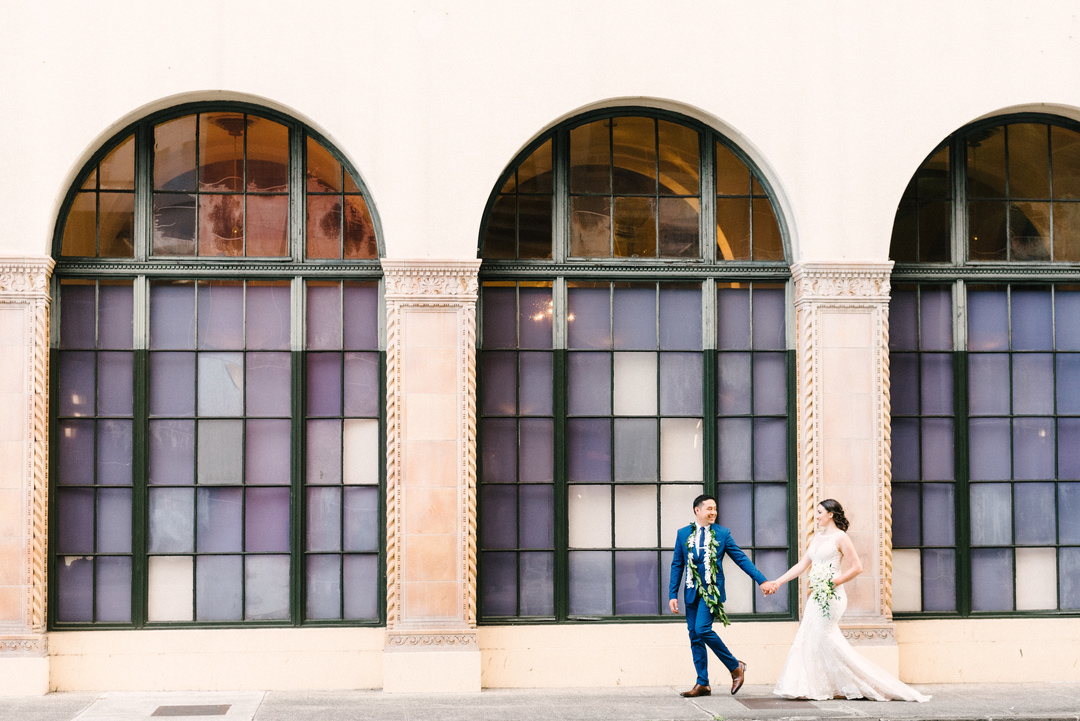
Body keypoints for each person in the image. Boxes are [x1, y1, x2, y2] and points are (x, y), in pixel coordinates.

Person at [761, 499, 930, 702]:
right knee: (808, 636)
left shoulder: (841, 538)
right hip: (817, 597)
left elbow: (857, 566)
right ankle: (808, 686)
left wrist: (835, 581)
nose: (817, 516)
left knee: (825, 636)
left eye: (820, 512)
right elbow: (802, 565)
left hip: (833, 596)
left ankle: (865, 682)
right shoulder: (817, 538)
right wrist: (777, 582)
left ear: (831, 514)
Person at [668, 494, 771, 698]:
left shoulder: (722, 534)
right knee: (694, 636)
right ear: (697, 511)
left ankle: (735, 666)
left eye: (715, 508)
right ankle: (702, 683)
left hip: (711, 593)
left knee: (702, 629)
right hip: (691, 592)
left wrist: (762, 580)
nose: (713, 512)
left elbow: (741, 558)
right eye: (709, 509)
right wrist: (672, 593)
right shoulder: (683, 534)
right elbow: (677, 564)